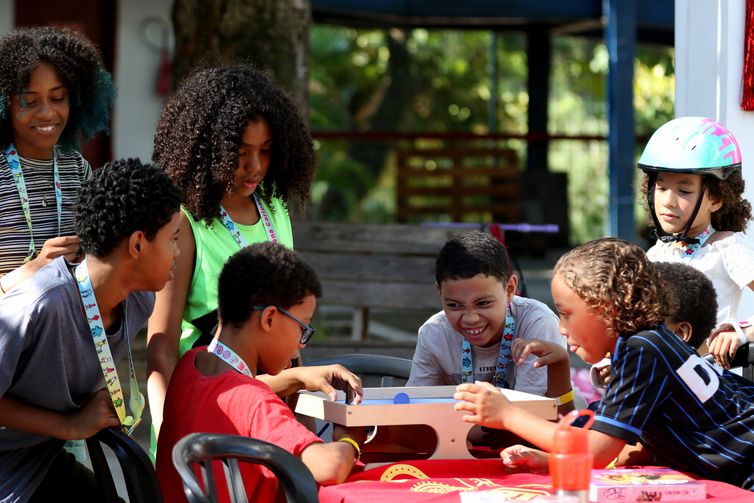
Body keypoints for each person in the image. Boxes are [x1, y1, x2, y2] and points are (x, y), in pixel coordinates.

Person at [454, 238, 754, 491]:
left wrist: (507, 414)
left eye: (567, 313)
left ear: (607, 310)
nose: (561, 327)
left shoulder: (642, 349)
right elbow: (630, 444)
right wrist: (552, 459)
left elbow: (595, 450)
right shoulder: (644, 346)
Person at [147, 64, 316, 446]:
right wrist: (173, 430)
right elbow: (162, 347)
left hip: (268, 415)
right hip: (205, 423)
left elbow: (286, 325)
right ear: (207, 150)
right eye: (240, 153)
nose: (254, 166)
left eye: (266, 151)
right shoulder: (186, 221)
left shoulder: (275, 208)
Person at [0, 159, 181, 502]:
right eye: (173, 239)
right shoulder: (40, 305)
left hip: (40, 461)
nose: (178, 253)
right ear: (138, 245)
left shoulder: (140, 300)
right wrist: (67, 426)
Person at [156, 242, 369, 502]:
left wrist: (297, 377)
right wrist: (350, 440)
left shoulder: (191, 363)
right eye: (303, 328)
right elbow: (330, 466)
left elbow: (232, 395)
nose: (301, 344)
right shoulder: (257, 404)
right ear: (269, 319)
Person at [408, 231, 574, 414]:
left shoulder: (537, 323)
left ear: (510, 289)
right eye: (454, 305)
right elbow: (416, 409)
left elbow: (533, 415)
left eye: (483, 303)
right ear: (440, 293)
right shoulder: (433, 334)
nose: (471, 318)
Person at [0, 26, 114, 291]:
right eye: (29, 101)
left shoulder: (76, 168)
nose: (47, 113)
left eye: (58, 97)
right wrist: (37, 267)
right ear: (5, 104)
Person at [637, 116, 754, 368]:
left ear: (717, 198)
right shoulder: (655, 255)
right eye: (661, 187)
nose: (668, 201)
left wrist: (741, 331)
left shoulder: (726, 247)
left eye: (684, 191)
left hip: (714, 387)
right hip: (664, 383)